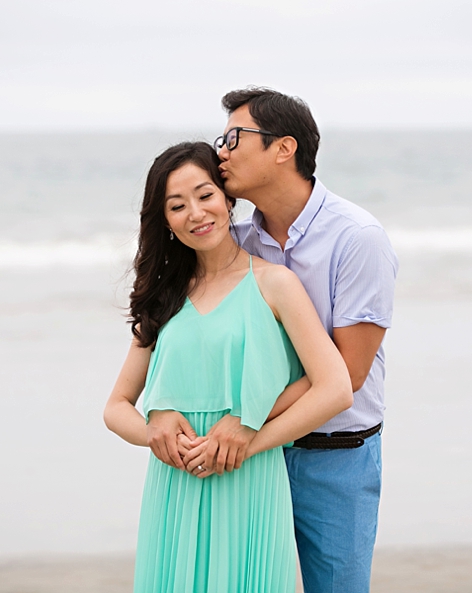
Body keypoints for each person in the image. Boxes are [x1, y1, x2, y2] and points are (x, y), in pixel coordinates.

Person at [148, 88, 399, 592]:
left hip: (333, 457)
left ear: (284, 149)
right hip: (253, 464)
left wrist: (247, 422)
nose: (222, 151)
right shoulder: (236, 241)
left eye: (234, 138)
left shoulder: (356, 239)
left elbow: (347, 373)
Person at [103, 141, 352, 593]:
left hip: (250, 481)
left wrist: (250, 438)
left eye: (205, 195)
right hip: (174, 487)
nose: (196, 213)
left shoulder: (275, 283)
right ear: (165, 222)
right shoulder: (163, 296)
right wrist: (152, 430)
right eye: (177, 206)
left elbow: (335, 387)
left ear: (227, 197)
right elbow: (116, 406)